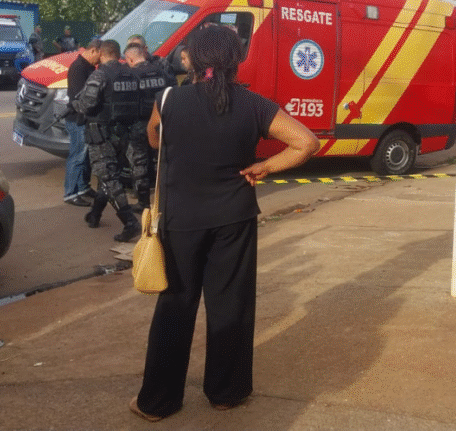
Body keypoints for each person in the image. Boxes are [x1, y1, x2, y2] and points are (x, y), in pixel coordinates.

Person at [131, 25, 319, 422]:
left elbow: (153, 139)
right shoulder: (254, 104)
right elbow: (306, 142)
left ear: (191, 59)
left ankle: (157, 401)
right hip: (234, 218)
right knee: (230, 305)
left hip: (181, 221)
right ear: (237, 61)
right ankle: (226, 393)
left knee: (175, 307)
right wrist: (265, 166)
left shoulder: (168, 99)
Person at [70, 40, 142, 242]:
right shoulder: (131, 73)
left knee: (108, 178)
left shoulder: (100, 74)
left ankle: (130, 222)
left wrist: (74, 104)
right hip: (124, 133)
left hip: (101, 134)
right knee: (108, 175)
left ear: (101, 53)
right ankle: (95, 214)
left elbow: (87, 104)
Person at [123, 40, 171, 212]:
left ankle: (143, 202)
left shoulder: (129, 75)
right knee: (162, 161)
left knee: (139, 162)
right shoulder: (163, 72)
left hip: (139, 123)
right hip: (161, 122)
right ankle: (165, 200)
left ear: (129, 59)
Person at [62, 38, 101, 206]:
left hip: (84, 118)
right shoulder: (79, 68)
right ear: (93, 51)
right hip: (76, 118)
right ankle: (71, 193)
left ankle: (83, 187)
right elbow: (80, 96)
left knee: (85, 156)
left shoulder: (88, 66)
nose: (99, 60)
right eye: (99, 56)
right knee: (77, 155)